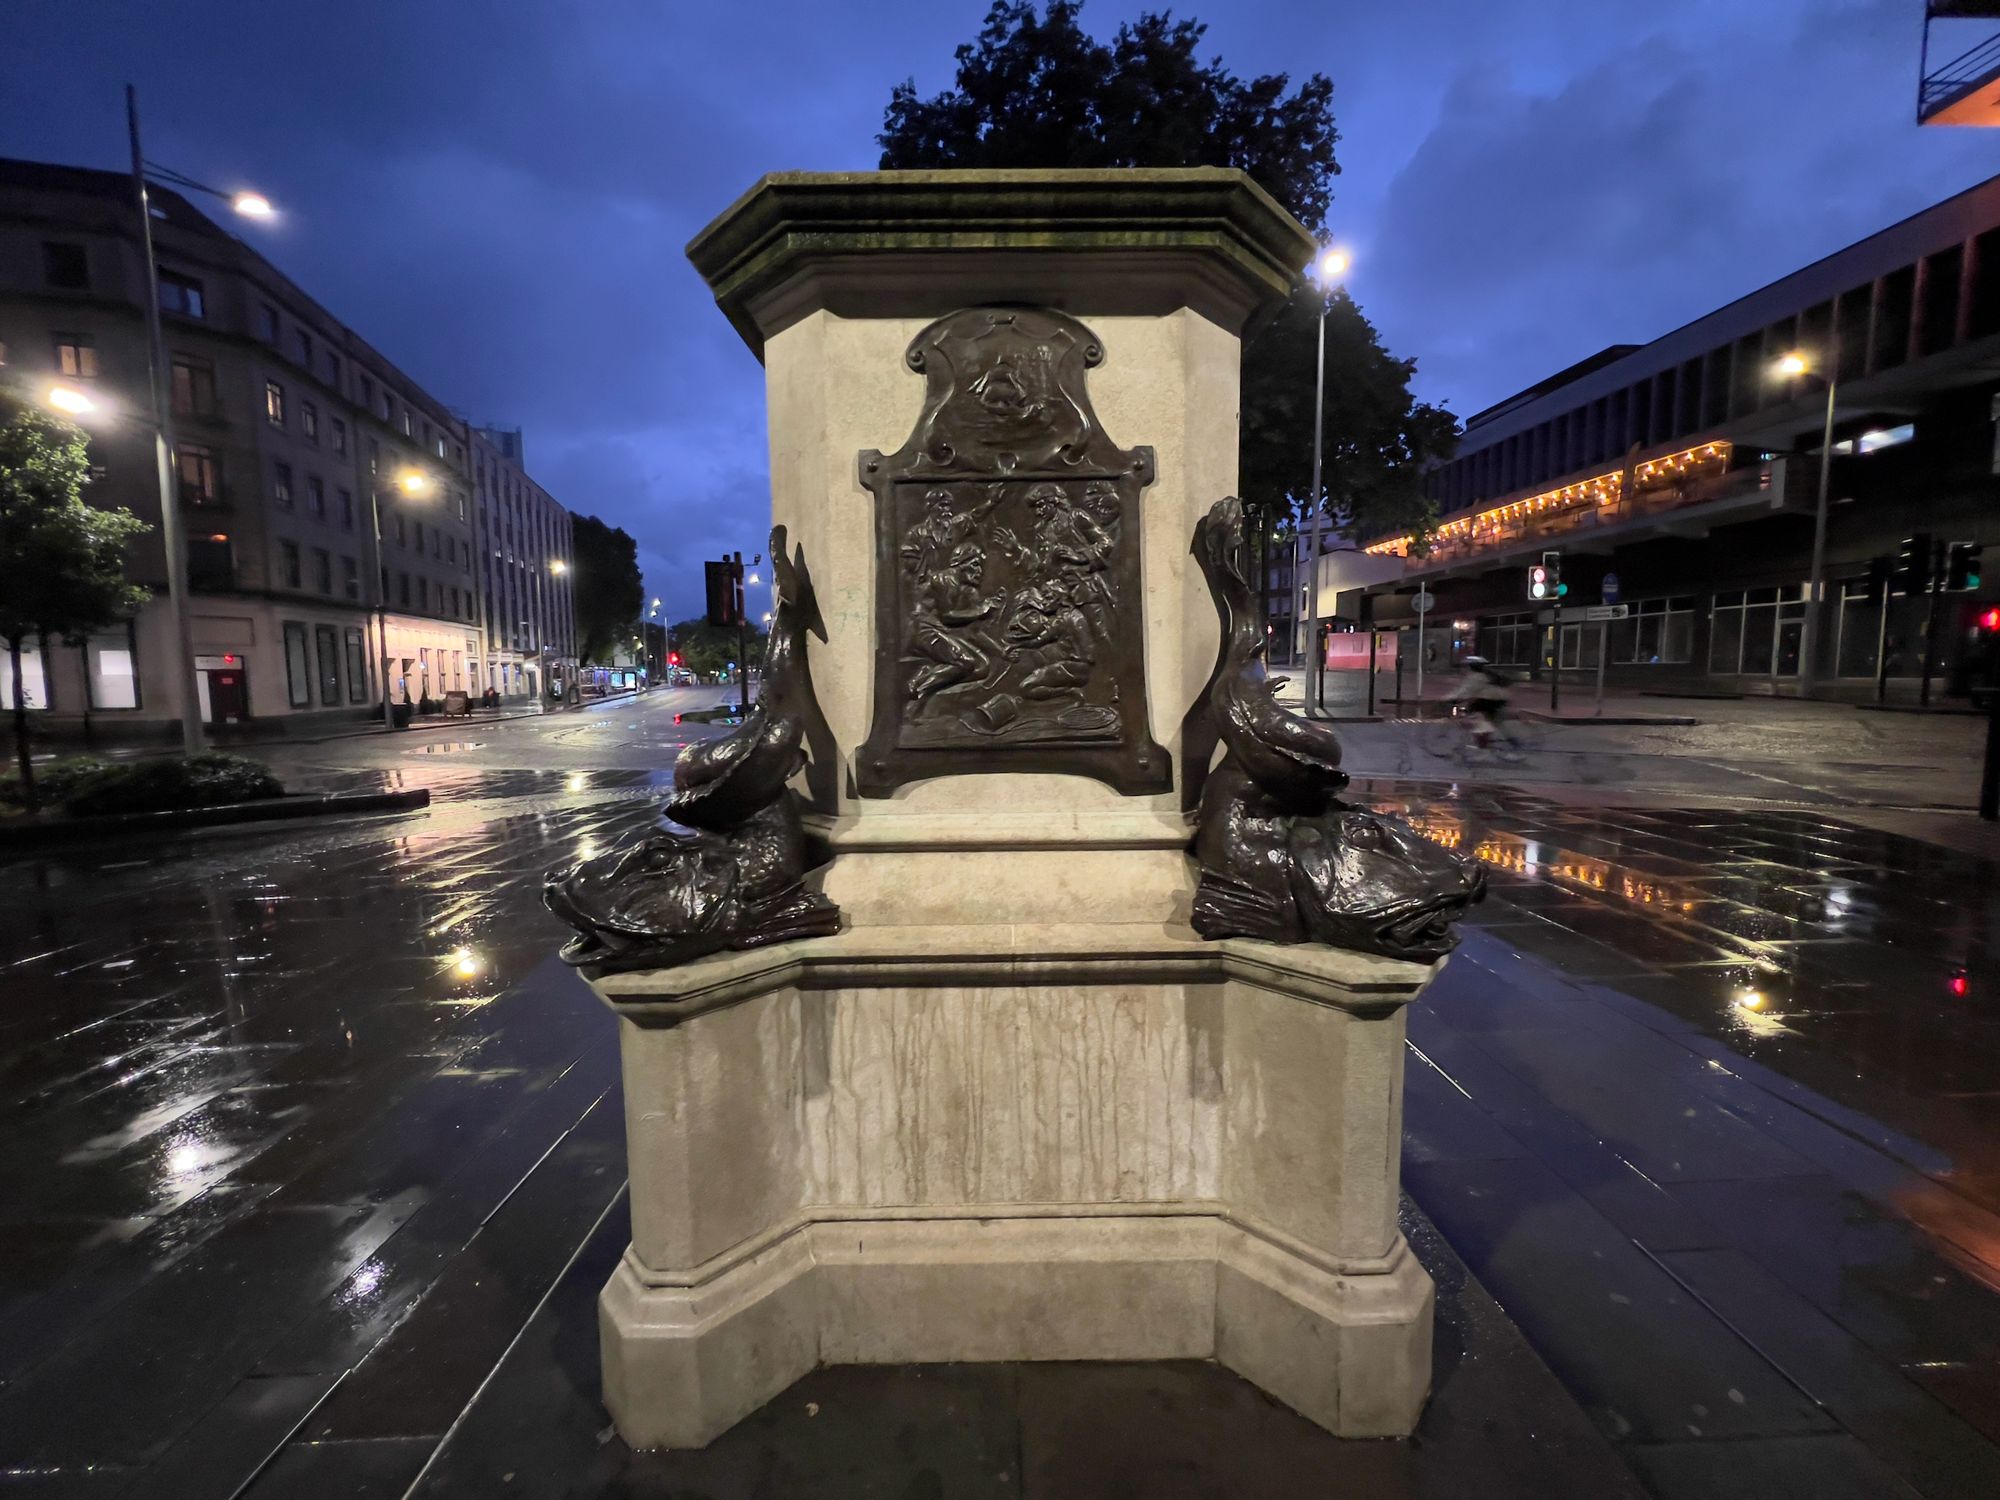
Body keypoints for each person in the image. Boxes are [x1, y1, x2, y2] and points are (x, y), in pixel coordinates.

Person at [1448, 655, 1513, 748]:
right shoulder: (1486, 675)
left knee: (1476, 717)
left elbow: (1465, 690)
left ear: (1471, 667)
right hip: (1498, 700)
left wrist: (1448, 698)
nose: (1463, 669)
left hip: (1490, 701)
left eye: (1465, 666)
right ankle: (1487, 739)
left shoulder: (1476, 677)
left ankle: (1482, 744)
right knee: (1486, 720)